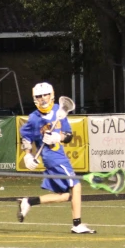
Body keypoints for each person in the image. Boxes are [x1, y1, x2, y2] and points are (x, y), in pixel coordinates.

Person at [18, 82, 95, 234]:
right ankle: (77, 225)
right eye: (39, 96)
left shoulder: (59, 112)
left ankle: (28, 202)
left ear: (51, 95)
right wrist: (28, 155)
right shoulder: (34, 118)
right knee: (76, 186)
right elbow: (25, 136)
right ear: (35, 99)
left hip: (60, 154)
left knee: (67, 195)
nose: (43, 99)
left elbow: (68, 136)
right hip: (52, 157)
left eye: (45, 95)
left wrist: (57, 136)